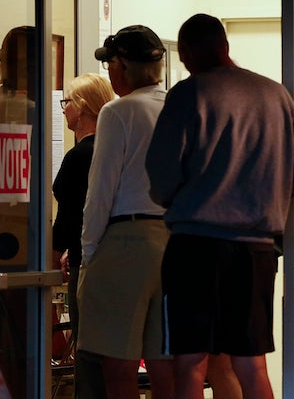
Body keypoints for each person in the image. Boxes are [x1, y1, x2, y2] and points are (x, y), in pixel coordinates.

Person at [147, 13, 294, 399]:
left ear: (184, 52)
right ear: (225, 45)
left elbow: (161, 177)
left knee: (190, 363)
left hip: (194, 247)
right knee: (251, 363)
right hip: (256, 249)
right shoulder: (276, 95)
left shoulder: (188, 94)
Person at [77, 25, 174, 398]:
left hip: (126, 241)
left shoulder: (118, 112)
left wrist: (89, 252)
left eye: (111, 64)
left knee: (118, 365)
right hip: (174, 240)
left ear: (122, 67)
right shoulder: (178, 107)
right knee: (166, 365)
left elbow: (100, 191)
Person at [53, 73, 116, 398]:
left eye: (67, 103)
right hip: (111, 258)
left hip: (86, 262)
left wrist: (55, 250)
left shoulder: (80, 156)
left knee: (88, 352)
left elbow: (71, 215)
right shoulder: (111, 150)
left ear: (84, 107)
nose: (63, 110)